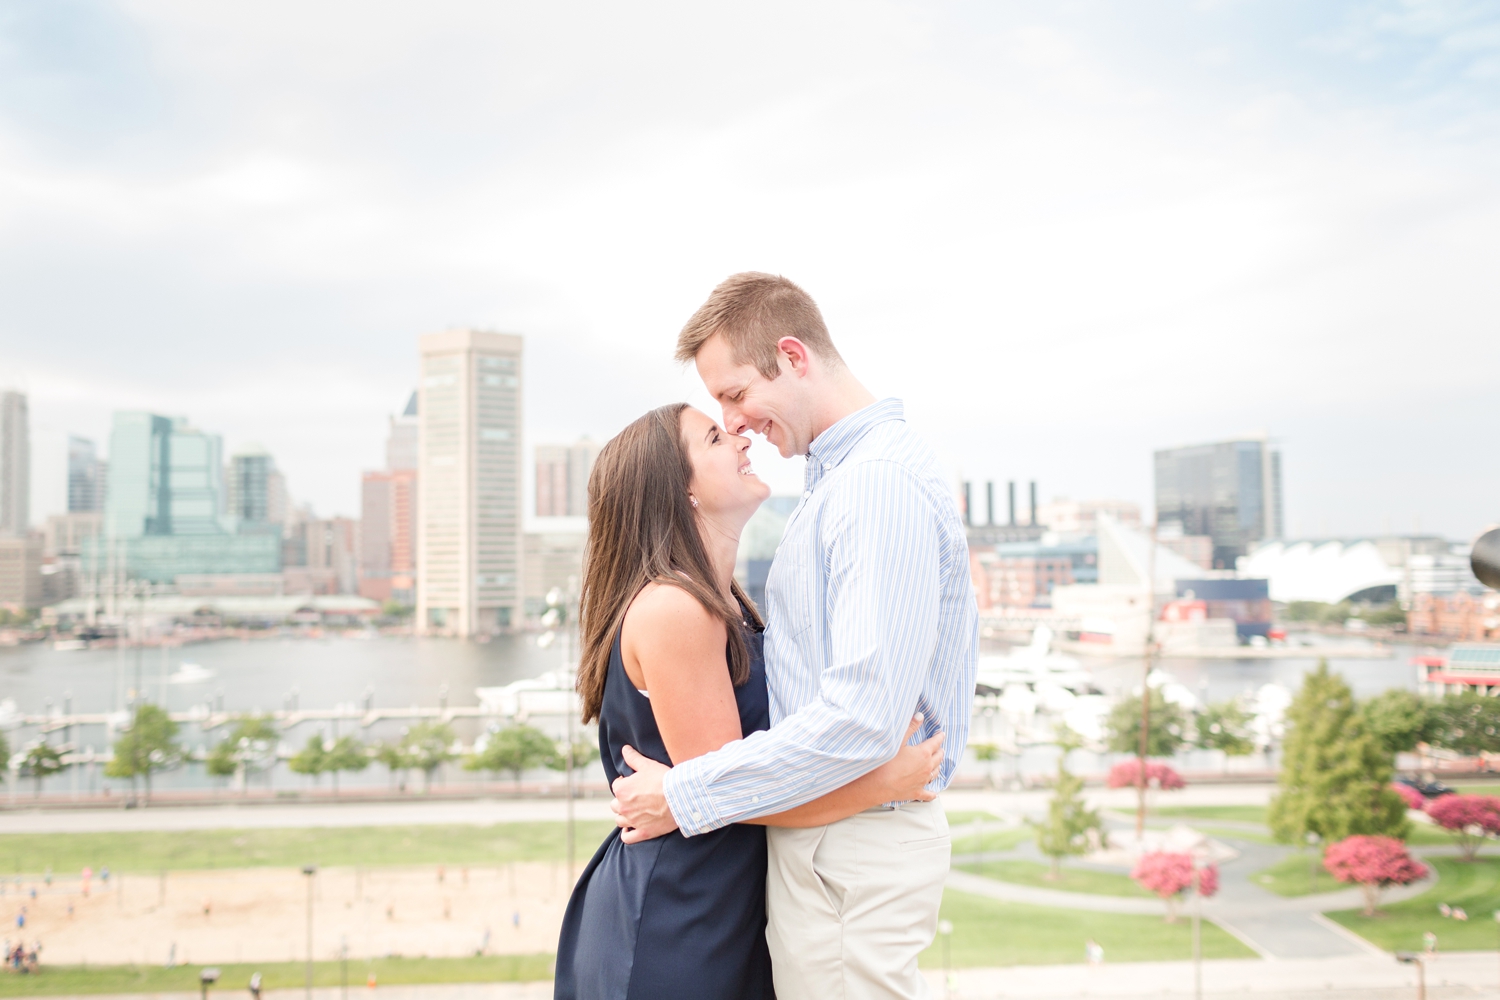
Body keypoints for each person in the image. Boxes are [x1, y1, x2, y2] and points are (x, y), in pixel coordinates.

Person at [611, 273, 978, 1000]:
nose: (737, 421)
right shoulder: (841, 481)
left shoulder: (874, 485)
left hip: (852, 844)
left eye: (736, 394)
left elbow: (863, 717)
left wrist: (683, 794)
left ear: (793, 356)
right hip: (837, 838)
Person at [553, 403, 945, 1000]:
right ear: (679, 490)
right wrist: (883, 784)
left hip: (721, 906)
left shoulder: (725, 603)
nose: (738, 435)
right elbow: (734, 795)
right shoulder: (675, 610)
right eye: (713, 435)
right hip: (678, 916)